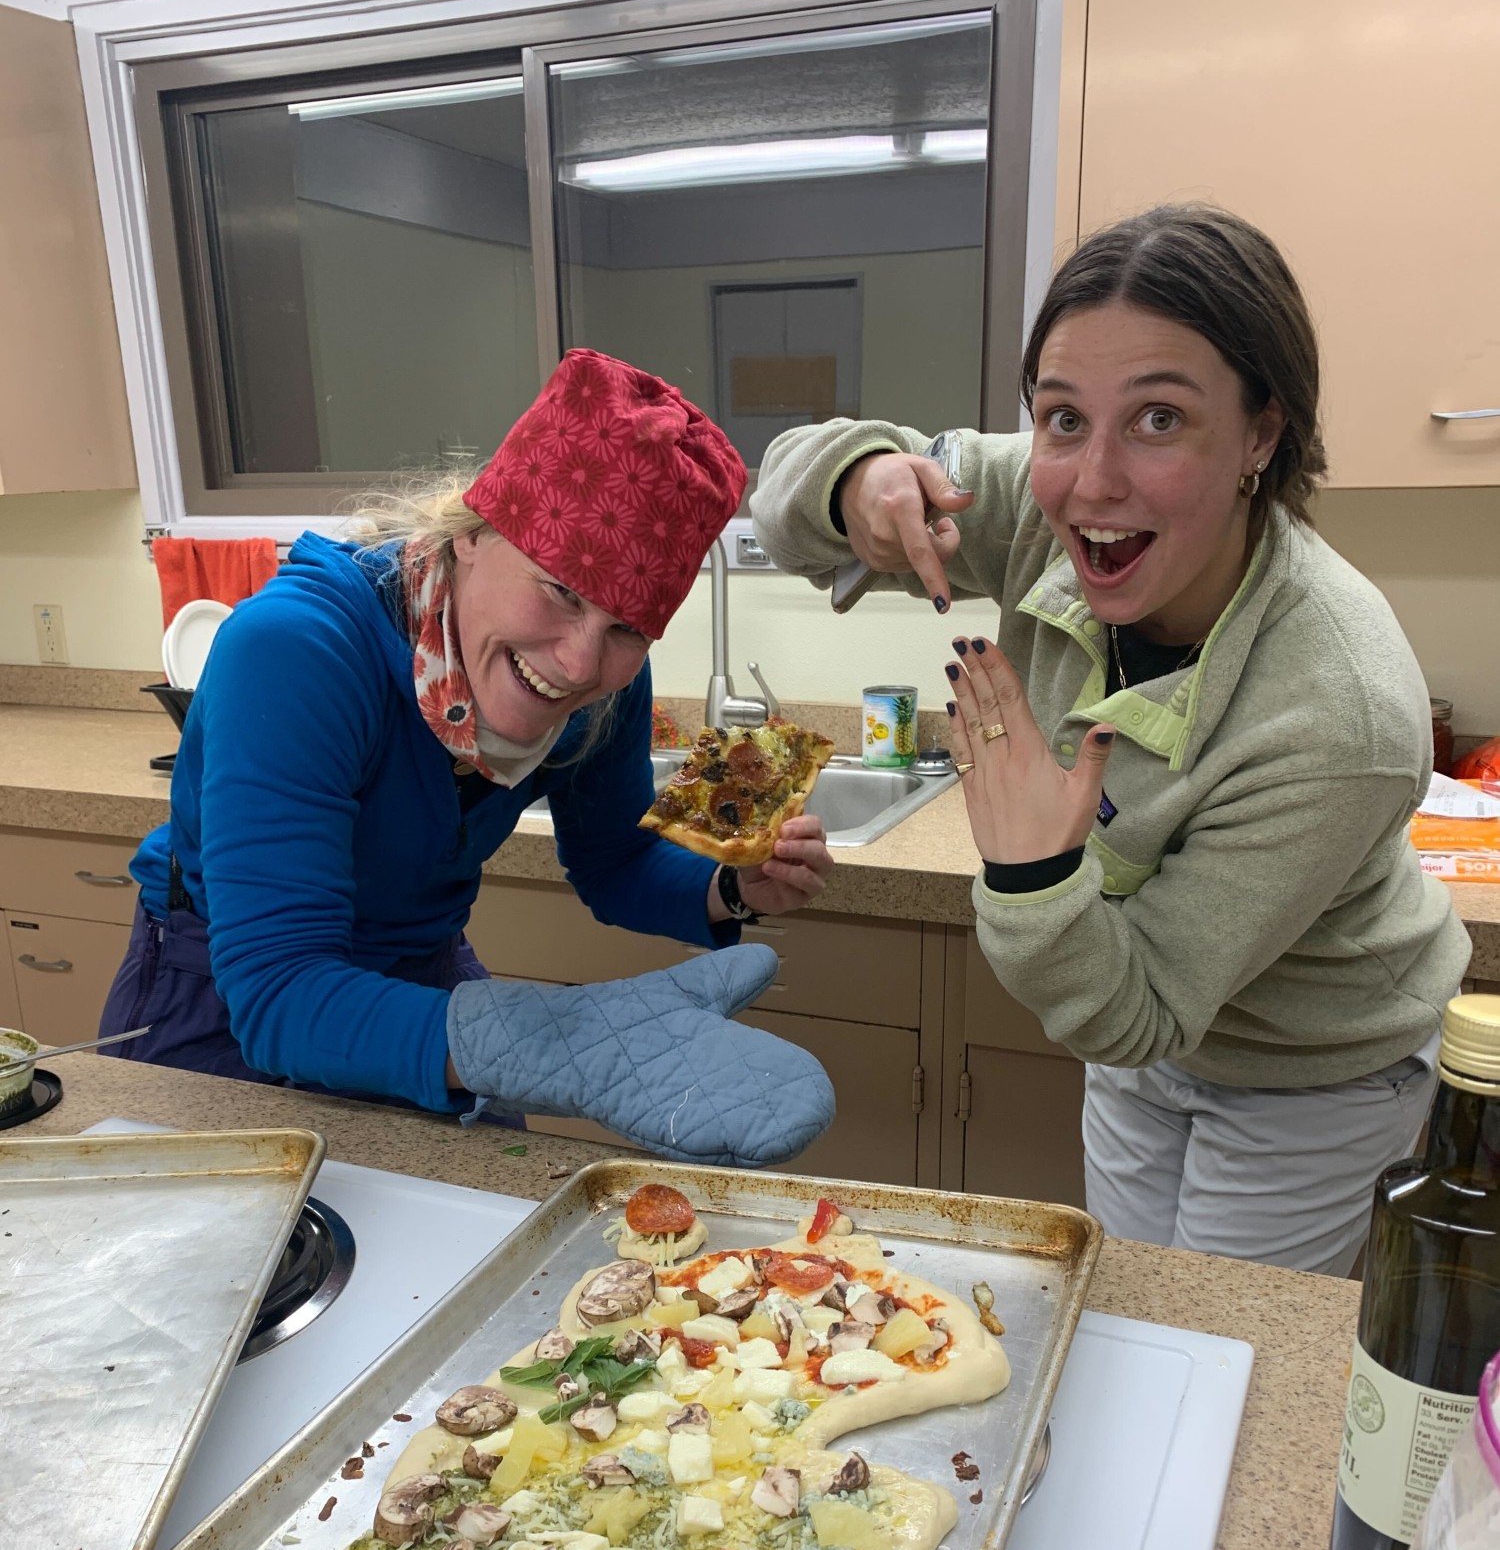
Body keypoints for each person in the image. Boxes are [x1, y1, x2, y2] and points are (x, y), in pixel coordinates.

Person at [752, 204, 1470, 1272]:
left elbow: (1143, 1008)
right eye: (1062, 417)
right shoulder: (1041, 500)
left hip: (1316, 1069)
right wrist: (858, 477)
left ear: (1262, 434)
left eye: (1160, 419)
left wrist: (1032, 874)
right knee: (1132, 1298)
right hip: (1132, 1012)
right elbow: (784, 493)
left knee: (1224, 1337)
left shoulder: (1339, 706)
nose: (1093, 482)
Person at [101, 349, 836, 1166]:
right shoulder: (297, 652)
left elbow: (615, 860)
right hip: (226, 997)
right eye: (560, 589)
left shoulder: (605, 690)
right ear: (476, 533)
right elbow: (281, 992)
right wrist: (557, 1043)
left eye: (628, 629)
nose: (578, 663)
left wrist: (730, 887)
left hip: (422, 977)